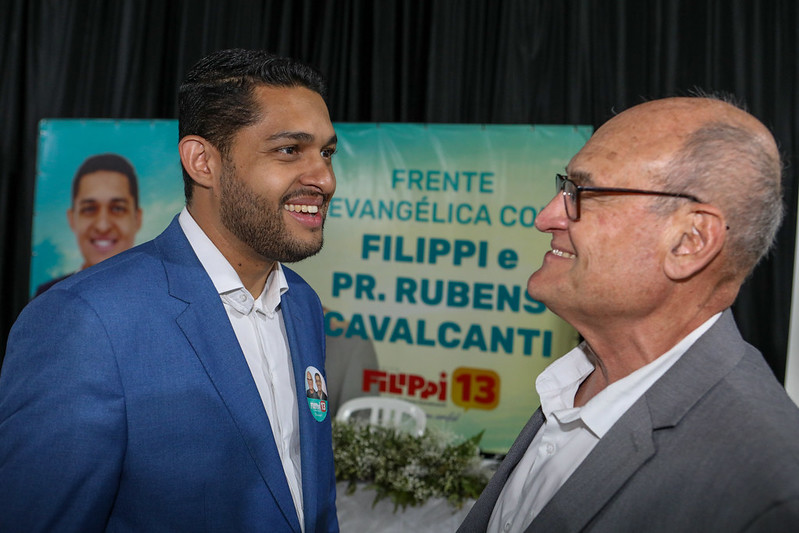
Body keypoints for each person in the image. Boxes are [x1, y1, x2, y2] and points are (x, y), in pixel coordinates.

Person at [0, 49, 339, 532]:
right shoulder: (84, 321)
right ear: (203, 161)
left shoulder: (300, 302)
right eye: (289, 150)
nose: (324, 178)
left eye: (326, 152)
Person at [458, 96, 799, 533]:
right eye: (564, 187)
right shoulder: (575, 383)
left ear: (690, 241)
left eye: (582, 192)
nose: (546, 217)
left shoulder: (767, 493)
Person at [34, 153, 143, 296]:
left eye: (117, 208)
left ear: (137, 218)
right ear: (72, 219)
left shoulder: (159, 294)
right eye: (89, 209)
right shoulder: (47, 297)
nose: (102, 226)